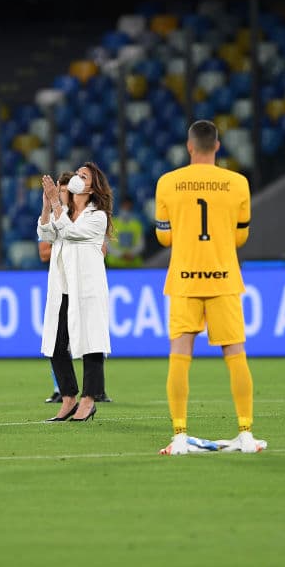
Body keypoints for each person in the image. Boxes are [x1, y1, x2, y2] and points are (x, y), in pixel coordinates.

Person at [154, 119, 264, 454]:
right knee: (236, 355)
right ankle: (245, 433)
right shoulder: (238, 183)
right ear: (217, 146)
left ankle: (179, 435)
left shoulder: (168, 183)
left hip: (184, 279)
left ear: (189, 146)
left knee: (179, 355)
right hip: (223, 278)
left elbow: (163, 237)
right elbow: (241, 236)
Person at [38, 162, 112, 423]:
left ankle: (88, 401)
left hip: (87, 288)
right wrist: (47, 205)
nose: (77, 178)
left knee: (92, 343)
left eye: (84, 176)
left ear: (92, 187)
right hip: (63, 288)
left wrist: (56, 204)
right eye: (77, 174)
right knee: (56, 345)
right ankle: (68, 397)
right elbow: (45, 233)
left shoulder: (97, 216)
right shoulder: (65, 211)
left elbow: (70, 232)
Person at [106, 197, 145, 268]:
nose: (126, 210)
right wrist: (121, 255)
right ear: (120, 207)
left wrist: (131, 254)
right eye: (124, 207)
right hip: (114, 265)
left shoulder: (137, 224)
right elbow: (107, 243)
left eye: (129, 208)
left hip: (133, 264)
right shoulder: (112, 223)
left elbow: (140, 244)